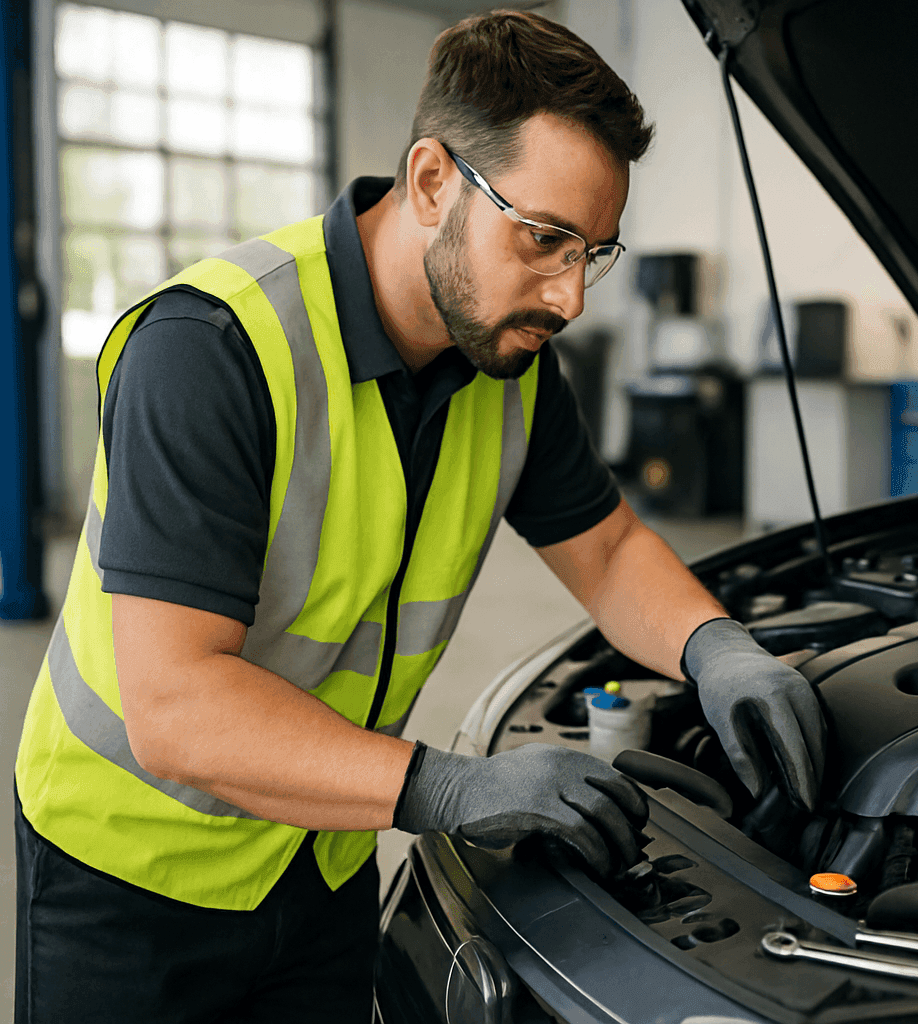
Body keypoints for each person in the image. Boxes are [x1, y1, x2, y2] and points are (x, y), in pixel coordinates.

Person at [13, 11, 824, 1022]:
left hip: (321, 849)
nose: (571, 295)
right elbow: (177, 710)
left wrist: (716, 647)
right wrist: (442, 788)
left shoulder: (512, 364)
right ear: (435, 178)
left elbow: (608, 550)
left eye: (596, 253)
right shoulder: (213, 349)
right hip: (133, 875)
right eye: (545, 239)